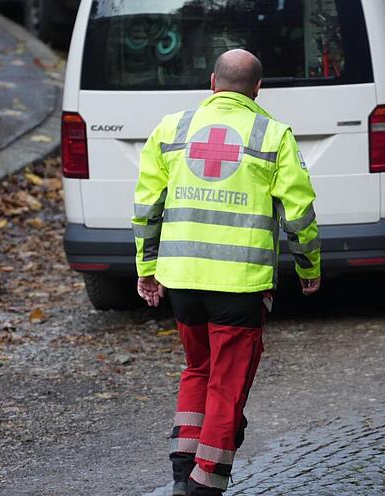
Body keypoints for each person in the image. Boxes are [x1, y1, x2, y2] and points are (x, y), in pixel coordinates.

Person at [132, 49, 321, 495]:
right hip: (240, 284)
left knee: (198, 368)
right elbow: (299, 212)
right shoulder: (272, 135)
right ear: (258, 89)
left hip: (181, 281)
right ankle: (206, 485)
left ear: (212, 83)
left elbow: (146, 208)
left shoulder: (171, 129)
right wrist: (309, 264)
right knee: (227, 384)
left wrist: (147, 269)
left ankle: (183, 471)